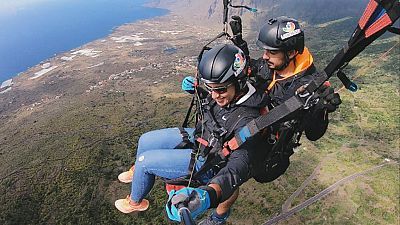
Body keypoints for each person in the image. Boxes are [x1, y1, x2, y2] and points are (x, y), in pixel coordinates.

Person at [114, 44, 271, 224]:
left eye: (220, 90)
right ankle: (137, 175)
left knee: (145, 162)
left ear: (239, 83)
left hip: (211, 159)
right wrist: (198, 90)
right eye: (210, 88)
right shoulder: (232, 94)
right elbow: (217, 105)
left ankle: (135, 202)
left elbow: (240, 165)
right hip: (202, 136)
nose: (214, 95)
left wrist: (209, 194)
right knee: (145, 140)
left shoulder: (248, 121)